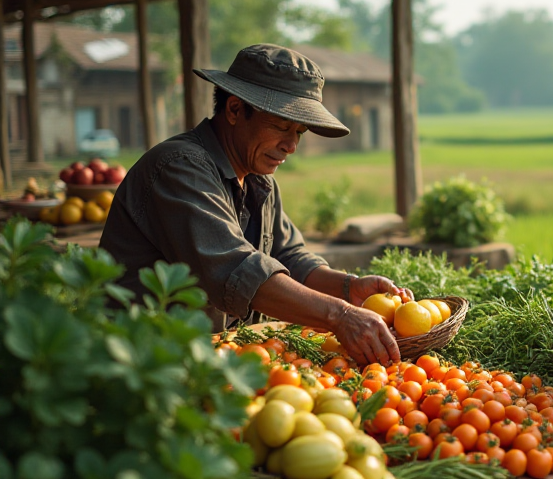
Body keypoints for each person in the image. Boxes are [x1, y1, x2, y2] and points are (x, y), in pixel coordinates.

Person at [100, 44, 409, 367]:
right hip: (143, 362)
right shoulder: (179, 168)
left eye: (299, 132)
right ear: (235, 109)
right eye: (281, 126)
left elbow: (289, 256)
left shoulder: (259, 180)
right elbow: (237, 269)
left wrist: (348, 288)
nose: (291, 146)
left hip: (213, 358)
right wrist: (340, 315)